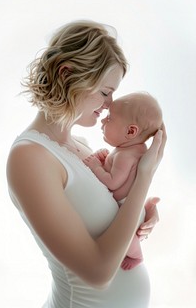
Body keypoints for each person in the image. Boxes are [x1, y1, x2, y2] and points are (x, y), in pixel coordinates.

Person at [6, 20, 166, 308]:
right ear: (67, 75)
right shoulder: (30, 158)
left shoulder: (82, 147)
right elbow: (98, 273)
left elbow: (109, 226)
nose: (110, 104)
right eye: (105, 92)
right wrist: (145, 177)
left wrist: (144, 213)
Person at [83, 92, 163, 271]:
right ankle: (149, 206)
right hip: (129, 204)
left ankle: (136, 255)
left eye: (109, 119)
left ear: (130, 131)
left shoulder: (125, 155)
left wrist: (97, 166)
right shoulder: (129, 151)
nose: (103, 121)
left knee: (129, 238)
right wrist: (104, 162)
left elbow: (112, 183)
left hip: (127, 208)